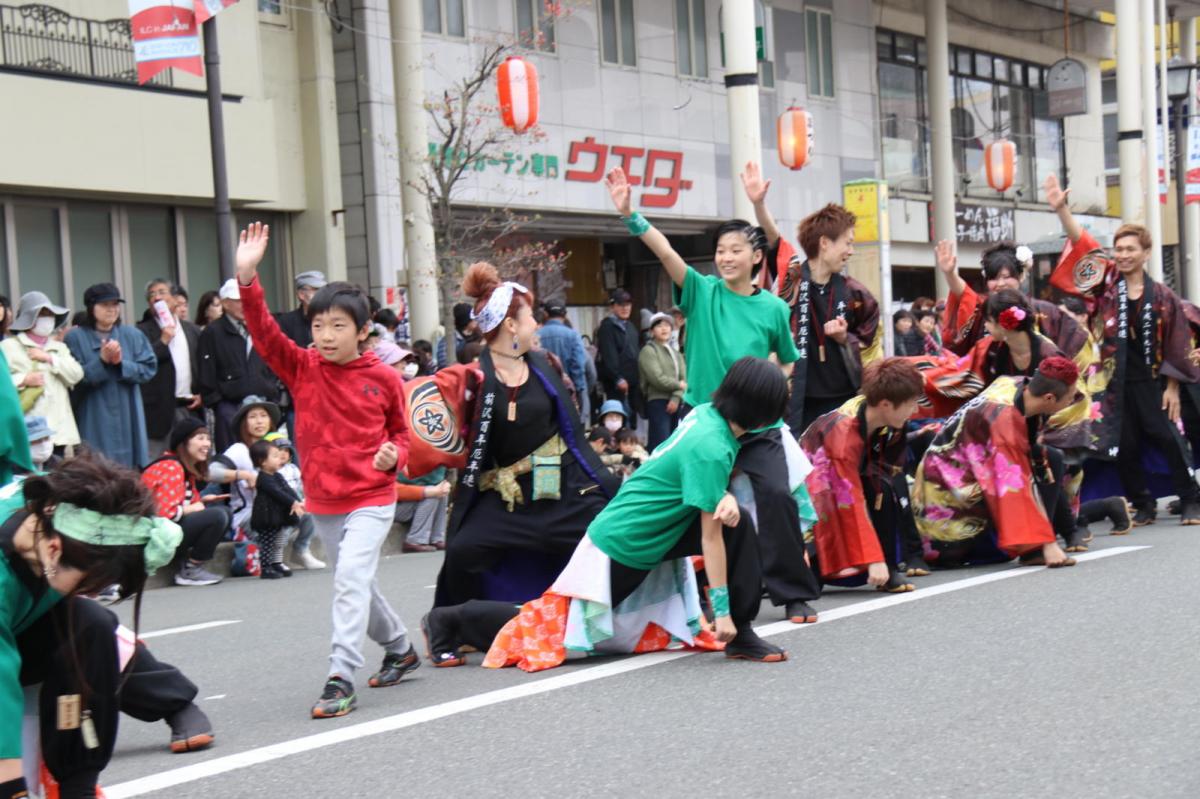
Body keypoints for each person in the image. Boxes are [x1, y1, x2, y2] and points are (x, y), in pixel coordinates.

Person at [474, 357, 793, 670]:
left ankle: (743, 632)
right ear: (762, 410)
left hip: (646, 531)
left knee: (735, 525)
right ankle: (454, 621)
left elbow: (685, 475)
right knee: (554, 623)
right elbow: (710, 539)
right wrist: (721, 613)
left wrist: (723, 496)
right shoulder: (711, 445)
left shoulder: (706, 416)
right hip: (626, 542)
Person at [608, 166, 822, 625]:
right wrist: (632, 216)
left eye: (735, 250)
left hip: (758, 424)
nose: (725, 257)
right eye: (720, 250)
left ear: (754, 256)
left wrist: (775, 382)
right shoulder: (702, 293)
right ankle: (701, 597)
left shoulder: (772, 307)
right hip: (705, 421)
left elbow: (786, 360)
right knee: (701, 509)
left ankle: (793, 593)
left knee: (777, 497)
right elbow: (666, 254)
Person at [236, 221, 418, 719]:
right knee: (355, 581)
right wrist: (248, 278)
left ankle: (341, 676)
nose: (325, 335)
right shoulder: (302, 367)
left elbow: (404, 437)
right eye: (318, 326)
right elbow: (264, 333)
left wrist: (393, 456)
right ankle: (401, 646)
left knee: (350, 580)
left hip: (373, 496)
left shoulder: (383, 376)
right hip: (325, 499)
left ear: (363, 331)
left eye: (338, 326)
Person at [432, 261, 619, 609]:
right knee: (463, 550)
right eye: (531, 316)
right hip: (505, 496)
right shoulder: (473, 379)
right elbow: (435, 428)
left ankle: (610, 614)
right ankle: (454, 622)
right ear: (511, 325)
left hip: (559, 487)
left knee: (611, 532)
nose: (537, 323)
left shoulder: (547, 364)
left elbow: (571, 427)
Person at [0, 454, 187, 797]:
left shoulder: (58, 503)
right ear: (54, 550)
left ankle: (77, 787)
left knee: (91, 625)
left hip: (16, 632)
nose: (90, 593)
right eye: (87, 585)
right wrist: (11, 788)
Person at [1045, 173, 1200, 525]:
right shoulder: (1107, 286)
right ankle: (1141, 503)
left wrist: (1173, 386)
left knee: (1167, 437)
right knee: (1123, 444)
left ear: (1146, 254)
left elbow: (1178, 340)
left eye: (1131, 249)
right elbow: (1084, 246)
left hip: (1152, 380)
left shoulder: (1162, 296)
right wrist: (1062, 211)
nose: (1124, 255)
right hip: (1114, 382)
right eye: (1120, 249)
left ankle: (1191, 498)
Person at [742, 161, 882, 433]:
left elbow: (871, 348)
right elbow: (775, 243)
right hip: (797, 402)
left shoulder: (857, 294)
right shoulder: (792, 280)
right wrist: (759, 205)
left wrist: (845, 339)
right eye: (848, 242)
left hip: (844, 402)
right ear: (825, 243)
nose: (851, 251)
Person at [912, 357, 1082, 568]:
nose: (1073, 400)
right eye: (1070, 397)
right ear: (1049, 398)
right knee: (1018, 478)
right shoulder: (1002, 420)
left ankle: (1049, 540)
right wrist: (1046, 542)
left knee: (1050, 458)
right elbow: (1013, 488)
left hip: (962, 477)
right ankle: (1034, 547)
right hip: (949, 514)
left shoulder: (1015, 384)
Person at [800, 358, 925, 593]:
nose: (916, 410)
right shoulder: (843, 433)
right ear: (886, 404)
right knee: (810, 583)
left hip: (854, 473)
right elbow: (850, 498)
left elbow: (888, 470)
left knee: (885, 491)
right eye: (911, 404)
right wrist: (872, 558)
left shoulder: (887, 418)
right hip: (815, 484)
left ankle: (889, 566)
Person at [936, 238, 1088, 362]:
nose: (1000, 284)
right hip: (991, 384)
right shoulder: (984, 309)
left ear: (1020, 276)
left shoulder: (1043, 310)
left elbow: (1074, 339)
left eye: (1006, 277)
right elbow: (964, 295)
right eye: (994, 278)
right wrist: (950, 274)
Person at [64, 283, 157, 468]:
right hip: (92, 412)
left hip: (128, 411)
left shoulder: (132, 335)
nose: (112, 310)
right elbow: (73, 378)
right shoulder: (75, 338)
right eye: (105, 305)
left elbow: (149, 369)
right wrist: (102, 361)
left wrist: (121, 364)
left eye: (115, 304)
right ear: (91, 308)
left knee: (129, 473)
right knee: (94, 468)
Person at [141, 416, 230, 587]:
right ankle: (190, 570)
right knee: (218, 515)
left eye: (208, 438)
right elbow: (165, 514)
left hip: (163, 534)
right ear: (184, 442)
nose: (207, 444)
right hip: (152, 537)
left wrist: (202, 502)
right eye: (200, 438)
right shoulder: (172, 466)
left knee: (223, 513)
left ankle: (191, 568)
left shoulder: (186, 469)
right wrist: (197, 507)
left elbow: (185, 507)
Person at [197, 279, 280, 452]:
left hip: (263, 403)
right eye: (238, 301)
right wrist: (218, 403)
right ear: (225, 303)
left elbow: (275, 361)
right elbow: (206, 372)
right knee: (233, 457)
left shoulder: (261, 327)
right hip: (230, 406)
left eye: (247, 300)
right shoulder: (213, 332)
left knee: (267, 457)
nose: (244, 305)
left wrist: (272, 392)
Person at [2, 292, 82, 452]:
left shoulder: (60, 348)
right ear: (29, 318)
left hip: (59, 430)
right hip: (28, 429)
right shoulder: (8, 346)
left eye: (51, 314)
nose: (48, 319)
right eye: (43, 314)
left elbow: (77, 374)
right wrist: (23, 379)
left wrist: (49, 358)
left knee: (56, 474)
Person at [138, 278, 203, 456]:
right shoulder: (141, 331)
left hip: (189, 407)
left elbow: (203, 365)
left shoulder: (193, 331)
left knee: (193, 460)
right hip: (158, 409)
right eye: (152, 295)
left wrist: (203, 393)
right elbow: (142, 364)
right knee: (158, 460)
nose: (156, 297)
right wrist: (163, 342)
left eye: (161, 292)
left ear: (175, 299)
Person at [263, 431, 324, 569]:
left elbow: (302, 488)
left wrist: (305, 501)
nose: (283, 453)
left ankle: (301, 550)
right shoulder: (267, 472)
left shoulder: (293, 469)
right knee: (285, 525)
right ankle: (275, 558)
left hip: (295, 507)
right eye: (278, 450)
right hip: (275, 511)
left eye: (286, 450)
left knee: (311, 514)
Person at [248, 439, 304, 580]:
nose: (279, 458)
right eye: (274, 456)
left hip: (277, 515)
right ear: (262, 461)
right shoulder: (263, 478)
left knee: (279, 540)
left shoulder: (277, 475)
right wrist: (292, 502)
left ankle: (276, 562)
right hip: (266, 516)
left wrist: (297, 500)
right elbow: (277, 492)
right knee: (267, 542)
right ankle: (266, 567)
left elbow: (287, 489)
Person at [638, 311, 687, 451]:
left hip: (676, 402)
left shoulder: (676, 352)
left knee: (674, 441)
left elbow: (684, 377)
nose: (664, 328)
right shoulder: (648, 351)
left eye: (667, 325)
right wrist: (679, 386)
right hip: (658, 401)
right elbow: (656, 378)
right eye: (659, 326)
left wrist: (676, 397)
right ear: (652, 331)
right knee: (661, 442)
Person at [596, 288, 641, 421]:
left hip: (633, 382)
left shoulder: (631, 327)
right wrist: (618, 378)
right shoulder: (607, 327)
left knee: (631, 419)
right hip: (616, 384)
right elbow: (609, 355)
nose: (625, 308)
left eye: (628, 304)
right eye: (621, 304)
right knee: (618, 419)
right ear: (613, 306)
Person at [537, 304, 588, 410]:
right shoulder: (573, 335)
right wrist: (579, 389)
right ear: (565, 315)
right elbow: (578, 365)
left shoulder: (536, 335)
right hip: (567, 391)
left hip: (543, 391)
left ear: (545, 314)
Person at [395, 466, 450, 553]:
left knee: (441, 493)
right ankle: (415, 540)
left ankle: (436, 538)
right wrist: (427, 491)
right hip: (390, 508)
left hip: (406, 502)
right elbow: (396, 490)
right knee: (433, 493)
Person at [276, 270, 328, 349]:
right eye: (316, 290)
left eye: (323, 290)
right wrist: (306, 350)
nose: (322, 294)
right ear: (301, 295)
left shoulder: (331, 317)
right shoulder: (287, 321)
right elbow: (281, 351)